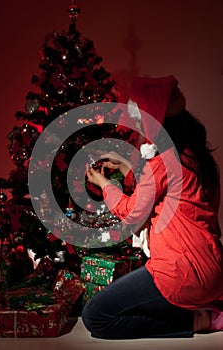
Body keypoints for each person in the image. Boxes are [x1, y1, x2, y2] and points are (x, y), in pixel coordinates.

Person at [81, 75, 223, 339]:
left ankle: (197, 320)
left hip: (181, 273)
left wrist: (104, 184)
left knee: (95, 316)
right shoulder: (198, 158)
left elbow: (132, 212)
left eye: (139, 121)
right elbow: (164, 191)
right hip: (215, 273)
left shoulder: (163, 163)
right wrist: (126, 168)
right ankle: (207, 307)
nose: (138, 128)